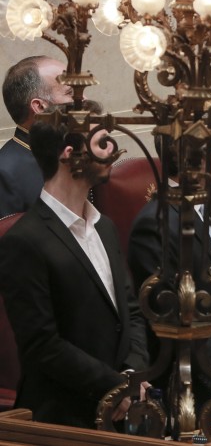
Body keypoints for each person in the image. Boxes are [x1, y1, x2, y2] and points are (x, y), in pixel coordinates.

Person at [0, 102, 148, 427]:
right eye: (102, 141)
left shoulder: (105, 227)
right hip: (63, 418)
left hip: (120, 409)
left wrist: (131, 375)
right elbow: (42, 345)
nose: (111, 151)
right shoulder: (23, 241)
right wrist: (114, 386)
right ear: (69, 154)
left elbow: (132, 312)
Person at [127, 134, 211, 402]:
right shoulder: (155, 225)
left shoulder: (203, 208)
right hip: (192, 391)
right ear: (189, 158)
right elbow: (176, 320)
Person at [0, 56, 74, 217]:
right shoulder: (4, 173)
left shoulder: (73, 147)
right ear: (40, 107)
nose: (84, 99)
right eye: (70, 93)